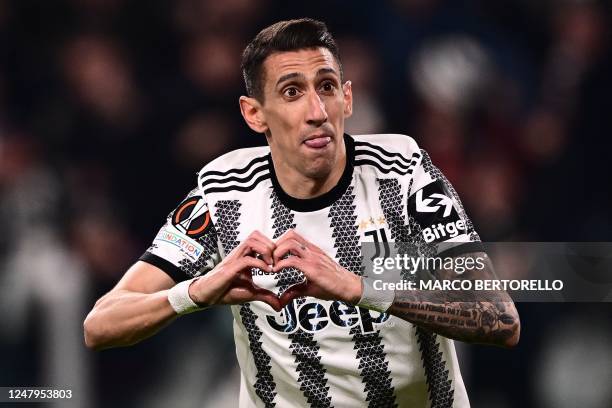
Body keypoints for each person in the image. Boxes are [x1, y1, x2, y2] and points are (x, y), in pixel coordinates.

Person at [84, 18, 520, 408]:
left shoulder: (402, 171)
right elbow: (101, 324)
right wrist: (196, 292)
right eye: (292, 92)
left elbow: (499, 318)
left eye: (327, 87)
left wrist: (357, 288)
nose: (317, 112)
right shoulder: (223, 191)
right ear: (255, 114)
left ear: (347, 99)